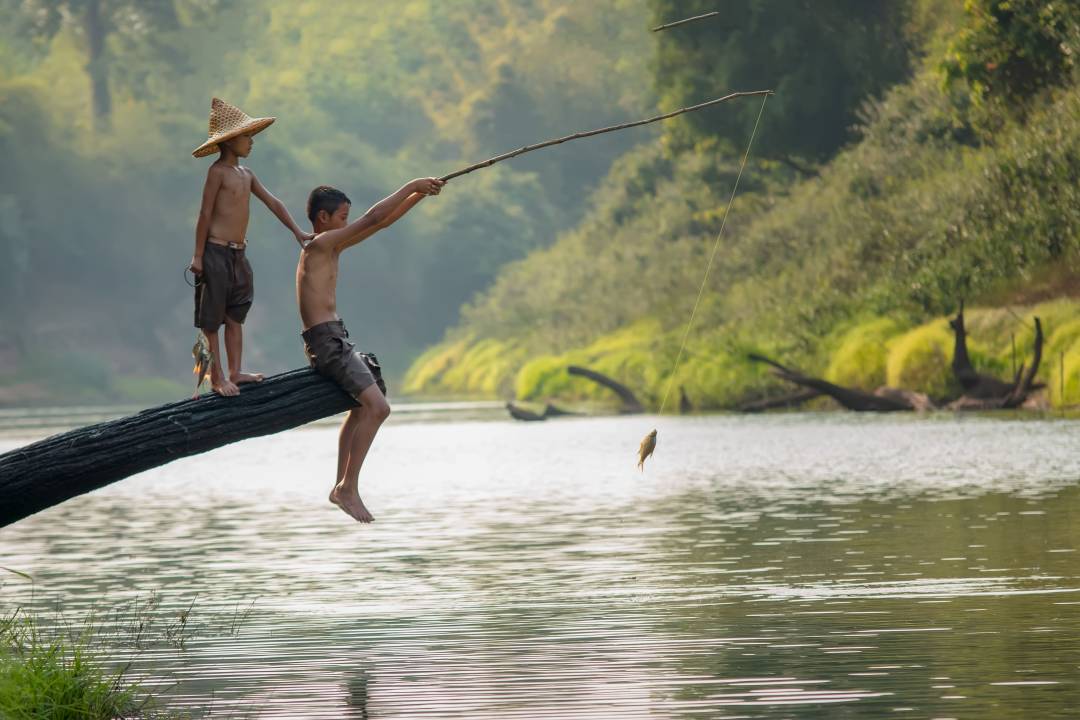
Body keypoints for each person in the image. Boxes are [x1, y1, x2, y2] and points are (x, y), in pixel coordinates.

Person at [298, 178, 444, 521]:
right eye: (343, 218)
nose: (348, 224)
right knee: (379, 408)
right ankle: (348, 487)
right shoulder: (317, 246)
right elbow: (374, 218)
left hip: (335, 337)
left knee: (364, 402)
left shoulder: (331, 246)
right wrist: (412, 183)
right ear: (323, 217)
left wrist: (420, 195)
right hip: (326, 341)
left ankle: (340, 485)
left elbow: (384, 222)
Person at [190, 98, 312, 396]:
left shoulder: (247, 175)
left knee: (235, 316)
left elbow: (273, 202)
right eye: (246, 136)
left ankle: (236, 371)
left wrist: (298, 232)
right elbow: (205, 213)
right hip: (215, 252)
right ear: (230, 141)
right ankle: (216, 378)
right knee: (211, 321)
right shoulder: (217, 172)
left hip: (238, 253)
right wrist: (198, 255)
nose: (251, 142)